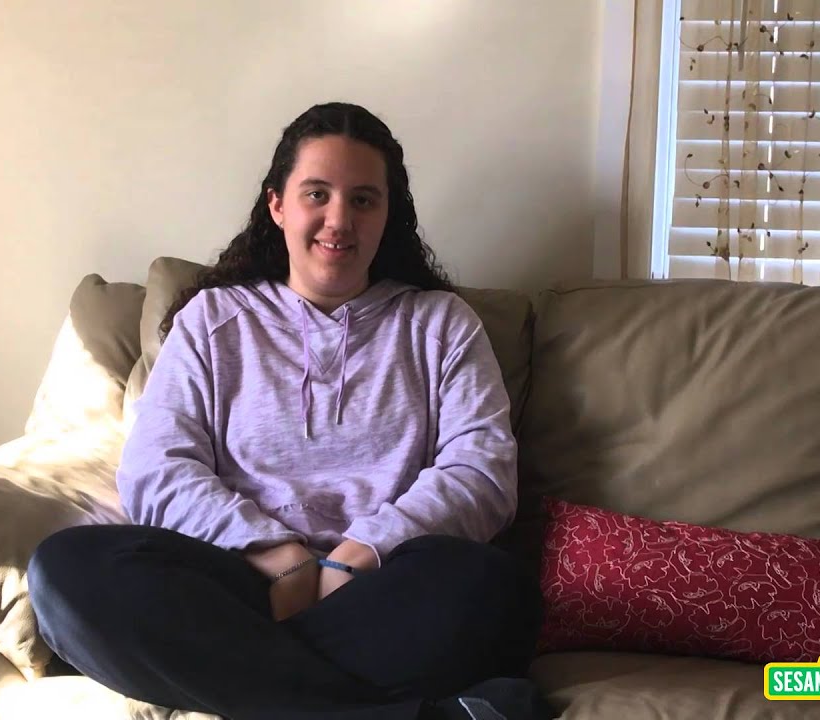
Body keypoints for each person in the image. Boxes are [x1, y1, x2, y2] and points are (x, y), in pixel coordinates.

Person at [28, 102, 555, 720]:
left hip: (388, 586)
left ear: (388, 215)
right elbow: (155, 469)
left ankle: (254, 690)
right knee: (66, 570)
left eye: (364, 200)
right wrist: (276, 553)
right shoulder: (212, 321)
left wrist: (361, 552)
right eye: (317, 194)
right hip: (234, 581)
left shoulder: (441, 325)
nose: (340, 219)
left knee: (494, 587)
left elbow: (482, 473)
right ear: (278, 205)